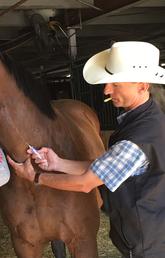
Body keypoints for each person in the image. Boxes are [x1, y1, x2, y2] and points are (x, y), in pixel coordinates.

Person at [7, 41, 165, 258]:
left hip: (149, 242)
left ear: (142, 85)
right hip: (147, 229)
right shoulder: (146, 119)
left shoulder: (139, 137)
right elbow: (105, 167)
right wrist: (58, 163)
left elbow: (86, 183)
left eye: (115, 84)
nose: (107, 90)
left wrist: (36, 177)